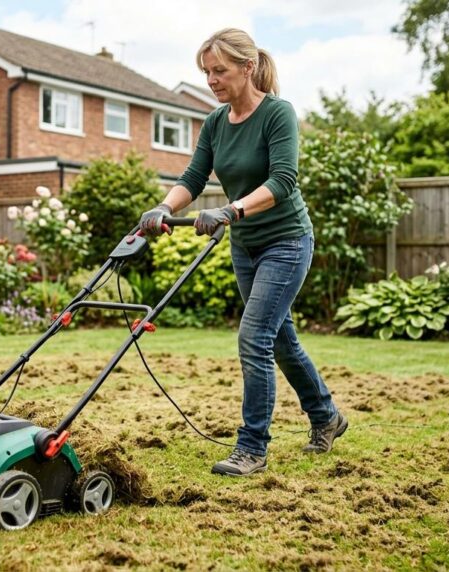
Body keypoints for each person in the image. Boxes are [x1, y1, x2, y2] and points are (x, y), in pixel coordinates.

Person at [139, 28, 346, 476]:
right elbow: (194, 178)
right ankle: (327, 416)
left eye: (219, 70)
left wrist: (230, 209)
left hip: (287, 241)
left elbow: (283, 180)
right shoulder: (215, 122)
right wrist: (163, 207)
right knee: (281, 340)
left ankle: (252, 447)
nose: (211, 80)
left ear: (247, 68)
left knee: (255, 338)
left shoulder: (277, 114)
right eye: (206, 72)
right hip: (246, 246)